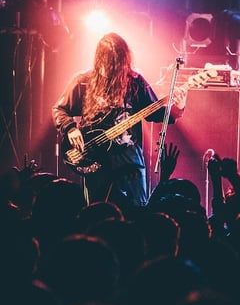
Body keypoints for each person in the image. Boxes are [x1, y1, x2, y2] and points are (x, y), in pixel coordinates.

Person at [52, 32, 187, 211]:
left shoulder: (135, 82)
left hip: (130, 161)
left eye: (118, 63)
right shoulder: (83, 82)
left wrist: (178, 107)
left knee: (137, 211)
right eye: (109, 63)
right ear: (100, 60)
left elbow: (155, 113)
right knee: (97, 212)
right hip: (96, 160)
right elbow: (59, 109)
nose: (113, 68)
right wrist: (70, 128)